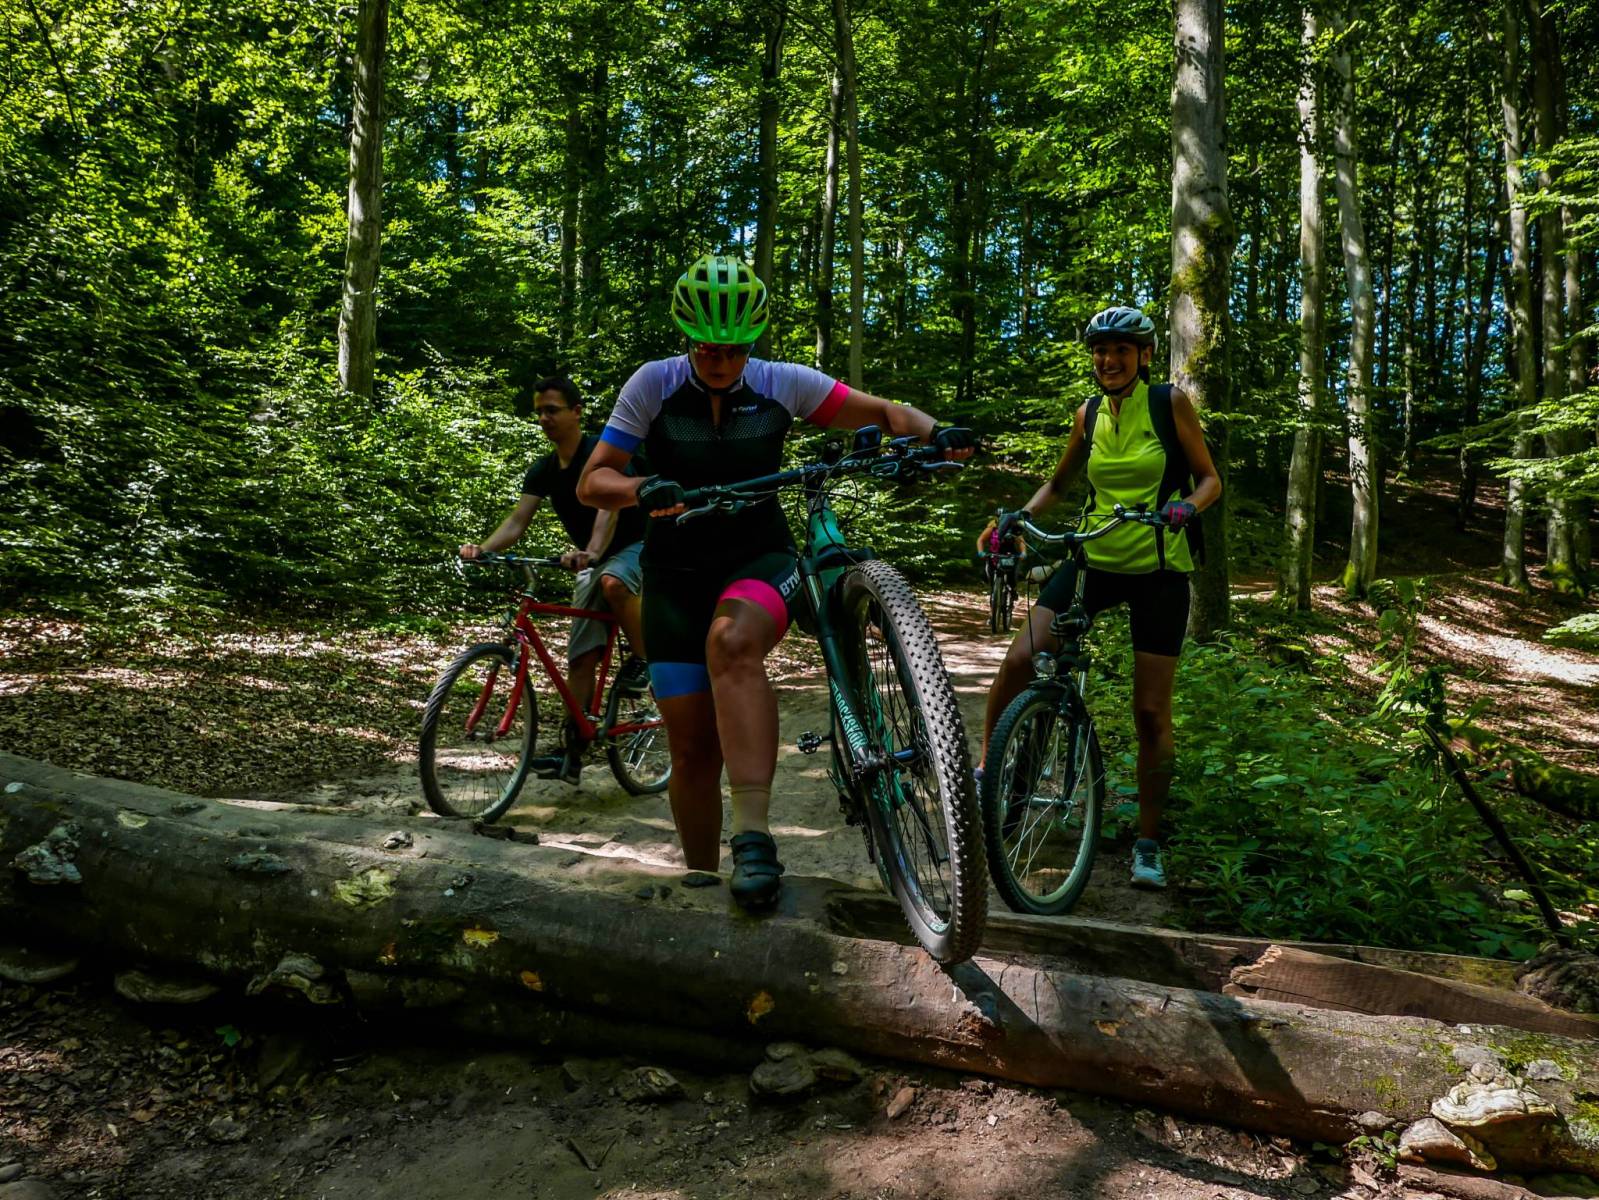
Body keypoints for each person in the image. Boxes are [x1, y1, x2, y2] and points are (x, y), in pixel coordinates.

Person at [577, 254, 973, 909]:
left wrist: (939, 431)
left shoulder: (781, 383)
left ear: (752, 343)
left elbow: (884, 413)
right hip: (673, 576)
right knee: (692, 750)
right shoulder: (653, 384)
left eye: (734, 350)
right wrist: (641, 487)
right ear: (688, 339)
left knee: (731, 642)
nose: (721, 362)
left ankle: (755, 840)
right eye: (709, 349)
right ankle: (701, 888)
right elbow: (594, 479)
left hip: (758, 558)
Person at [979, 305, 1220, 890]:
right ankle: (988, 770)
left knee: (1150, 713)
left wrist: (1186, 507)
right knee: (1020, 659)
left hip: (1159, 570)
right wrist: (1016, 517)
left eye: (1121, 351)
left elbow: (1210, 479)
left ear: (1143, 355)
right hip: (1094, 559)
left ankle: (1148, 844)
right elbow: (1059, 484)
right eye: (1100, 351)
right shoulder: (1087, 414)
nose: (1108, 360)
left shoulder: (1168, 404)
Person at [459, 375, 647, 784]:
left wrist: (592, 551)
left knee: (613, 583)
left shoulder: (601, 454)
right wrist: (483, 549)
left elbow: (610, 507)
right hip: (593, 558)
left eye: (553, 410)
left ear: (576, 412)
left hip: (639, 546)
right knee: (581, 658)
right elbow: (517, 520)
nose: (544, 418)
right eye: (539, 412)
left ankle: (644, 658)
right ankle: (571, 753)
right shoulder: (544, 469)